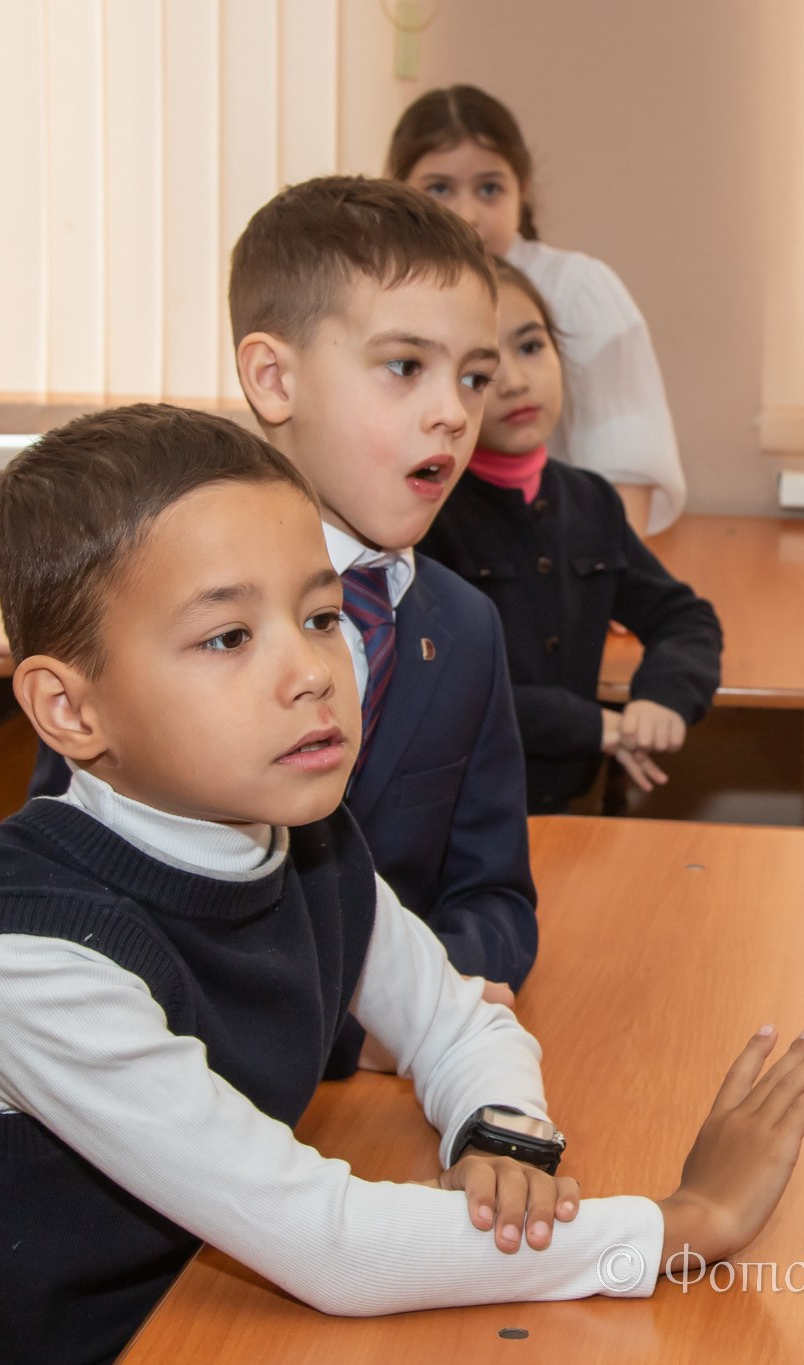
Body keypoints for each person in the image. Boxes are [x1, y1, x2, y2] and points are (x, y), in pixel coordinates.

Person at [0, 403, 804, 1362]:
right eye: (227, 636)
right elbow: (328, 1245)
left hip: (181, 1314)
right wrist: (678, 1224)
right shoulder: (28, 967)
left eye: (321, 616)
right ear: (70, 710)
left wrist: (501, 1135)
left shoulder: (304, 840)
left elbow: (456, 1016)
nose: (310, 673)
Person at [226, 175, 535, 1073]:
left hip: (388, 1097)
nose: (455, 410)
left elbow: (496, 896)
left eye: (473, 376)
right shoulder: (166, 615)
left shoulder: (466, 627)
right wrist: (356, 1031)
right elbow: (120, 930)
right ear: (274, 378)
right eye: (406, 367)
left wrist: (434, 998)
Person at [421, 260, 720, 813]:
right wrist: (597, 728)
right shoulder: (425, 516)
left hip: (577, 808)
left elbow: (684, 617)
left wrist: (662, 698)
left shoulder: (590, 502)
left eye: (531, 346)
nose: (514, 381)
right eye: (479, 371)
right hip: (468, 819)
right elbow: (446, 687)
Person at [390, 84, 686, 534]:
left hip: (565, 553)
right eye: (440, 189)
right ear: (402, 193)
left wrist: (602, 586)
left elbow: (628, 464)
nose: (467, 213)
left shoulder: (578, 291)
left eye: (489, 188)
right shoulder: (383, 300)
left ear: (521, 191)